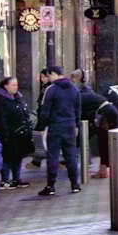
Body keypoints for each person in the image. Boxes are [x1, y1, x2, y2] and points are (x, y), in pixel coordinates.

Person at [35, 66, 81, 196]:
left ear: (54, 74)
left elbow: (45, 111)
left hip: (55, 126)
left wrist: (42, 127)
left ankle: (51, 186)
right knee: (71, 155)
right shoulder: (74, 88)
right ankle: (75, 184)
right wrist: (76, 124)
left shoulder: (51, 89)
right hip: (70, 125)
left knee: (52, 156)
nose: (49, 79)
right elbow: (78, 108)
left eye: (49, 76)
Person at [0, 76, 32, 189]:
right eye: (13, 85)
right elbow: (0, 119)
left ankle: (16, 178)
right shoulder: (0, 100)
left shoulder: (17, 97)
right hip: (9, 133)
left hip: (19, 133)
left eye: (16, 85)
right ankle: (5, 180)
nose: (16, 87)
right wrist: (4, 134)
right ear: (6, 86)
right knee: (8, 157)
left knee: (18, 156)